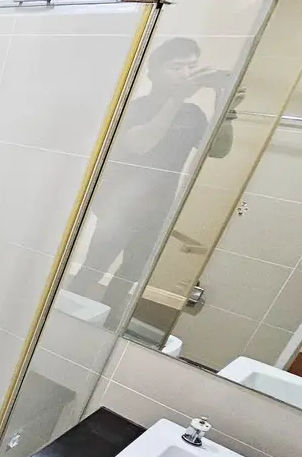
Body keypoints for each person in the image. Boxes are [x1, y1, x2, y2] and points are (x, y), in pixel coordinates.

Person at [69, 37, 234, 308]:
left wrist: (226, 105)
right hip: (119, 206)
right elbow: (141, 145)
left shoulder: (192, 113)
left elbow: (217, 151)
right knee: (93, 268)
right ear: (153, 73)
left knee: (130, 276)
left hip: (159, 207)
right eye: (176, 67)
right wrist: (176, 98)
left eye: (191, 67)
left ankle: (105, 326)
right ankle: (64, 322)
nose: (185, 74)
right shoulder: (134, 109)